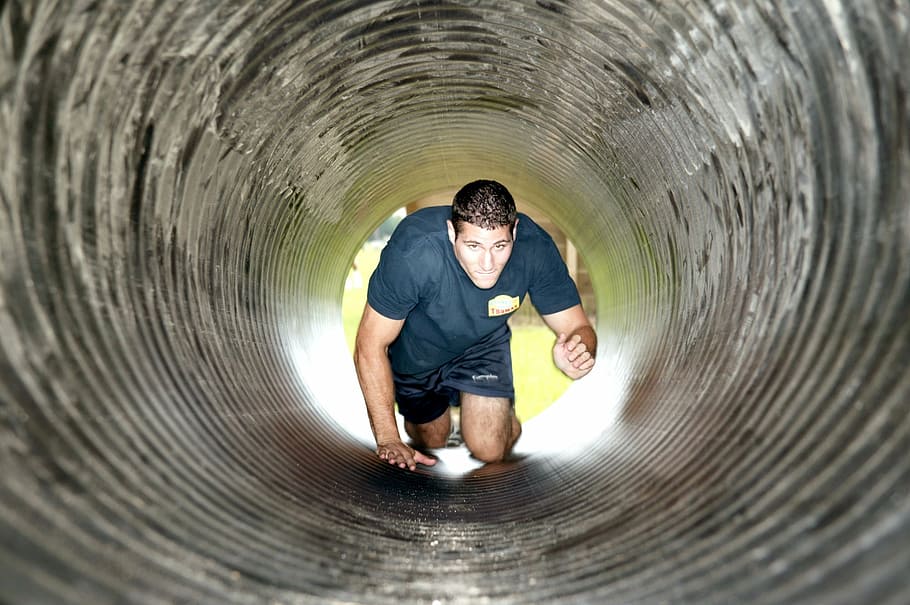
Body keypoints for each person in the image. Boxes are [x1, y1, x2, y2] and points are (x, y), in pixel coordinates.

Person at [354, 179, 596, 471]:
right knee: (433, 439)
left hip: (481, 345)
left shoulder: (535, 248)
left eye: (500, 245)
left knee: (489, 447)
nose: (487, 262)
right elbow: (369, 345)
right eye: (473, 245)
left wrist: (576, 351)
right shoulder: (414, 253)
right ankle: (442, 422)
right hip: (417, 352)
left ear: (515, 232)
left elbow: (577, 327)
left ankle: (499, 420)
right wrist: (388, 438)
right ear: (451, 232)